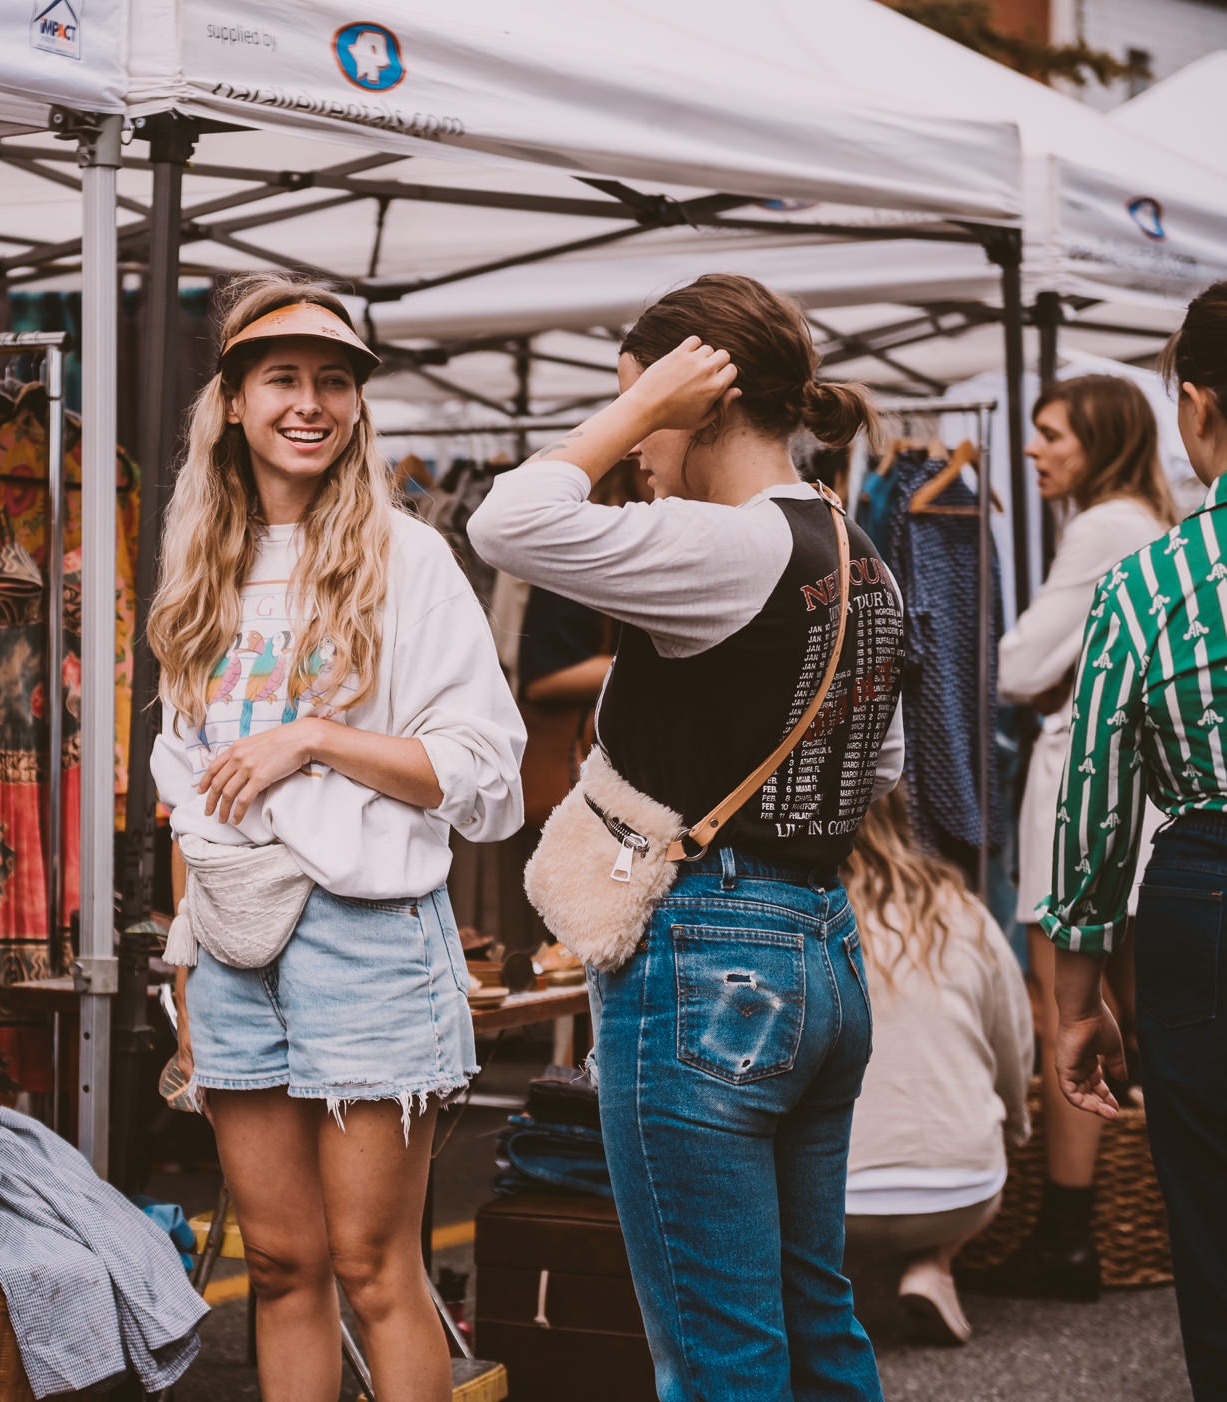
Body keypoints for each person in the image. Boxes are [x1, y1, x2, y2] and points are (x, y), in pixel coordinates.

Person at [467, 273, 906, 1402]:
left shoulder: (726, 546)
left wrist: (640, 398)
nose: (633, 455)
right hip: (822, 951)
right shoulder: (864, 558)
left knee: (717, 1357)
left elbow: (505, 520)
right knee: (815, 1324)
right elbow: (884, 768)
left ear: (700, 400)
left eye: (645, 415)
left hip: (708, 958)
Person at [154, 273, 525, 1401]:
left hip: (368, 939)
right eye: (282, 380)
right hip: (229, 944)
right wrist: (182, 952)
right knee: (279, 1262)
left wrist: (315, 738)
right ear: (231, 401)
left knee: (374, 1265)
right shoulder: (198, 566)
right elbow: (188, 787)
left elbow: (486, 772)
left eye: (333, 382)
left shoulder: (408, 558)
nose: (309, 404)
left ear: (359, 405)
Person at [1045, 279, 1227, 1401]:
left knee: (1210, 1226)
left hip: (1206, 904)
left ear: (1198, 406)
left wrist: (1077, 1002)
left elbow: (1095, 804)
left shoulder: (1148, 579)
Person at [968, 373, 1177, 1303]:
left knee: (1070, 1014)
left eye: (1052, 434)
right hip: (1145, 795)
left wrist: (1051, 677)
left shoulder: (1103, 527)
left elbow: (1015, 666)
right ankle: (1151, 1218)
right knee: (1144, 1014)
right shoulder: (1150, 519)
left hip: (1082, 789)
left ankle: (1067, 1234)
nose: (1033, 448)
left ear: (1101, 438)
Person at [840, 790, 1032, 1345]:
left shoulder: (805, 918)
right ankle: (933, 1268)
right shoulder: (960, 909)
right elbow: (1013, 1040)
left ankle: (815, 1296)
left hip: (837, 1205)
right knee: (965, 1128)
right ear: (904, 819)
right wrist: (1014, 1125)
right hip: (965, 1190)